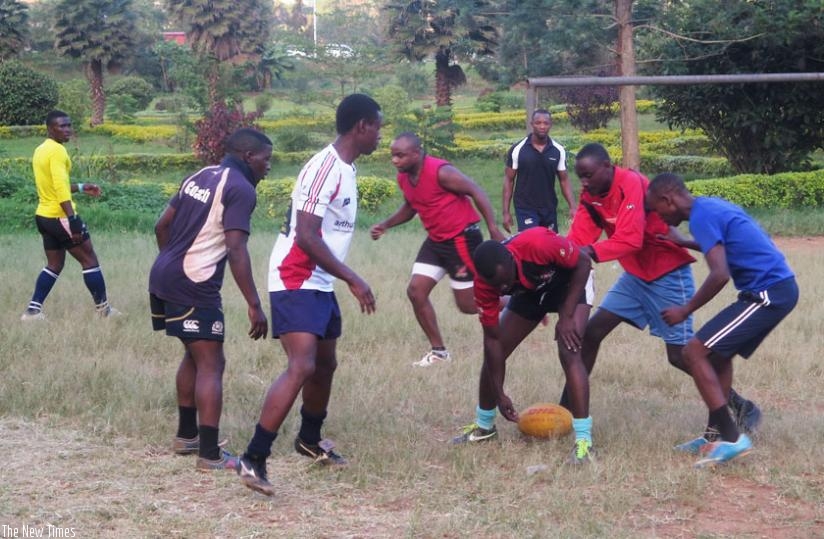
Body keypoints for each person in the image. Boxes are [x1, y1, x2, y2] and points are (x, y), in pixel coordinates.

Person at [237, 94, 382, 496]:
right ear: (361, 127)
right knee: (301, 365)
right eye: (378, 127)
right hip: (295, 276)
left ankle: (309, 440)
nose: (380, 136)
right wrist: (353, 278)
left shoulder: (347, 169)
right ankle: (254, 456)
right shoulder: (324, 167)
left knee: (325, 363)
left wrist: (340, 278)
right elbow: (305, 234)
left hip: (320, 280)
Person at [560, 143, 762, 433]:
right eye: (581, 176)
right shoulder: (591, 195)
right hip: (634, 276)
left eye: (589, 175)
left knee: (681, 355)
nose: (585, 182)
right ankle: (567, 409)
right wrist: (564, 256)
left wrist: (588, 253)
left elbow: (630, 239)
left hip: (668, 273)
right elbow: (579, 236)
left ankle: (741, 407)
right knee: (592, 332)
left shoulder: (631, 183)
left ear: (608, 166)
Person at [646, 173, 798, 467]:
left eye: (656, 209)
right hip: (773, 289)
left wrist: (685, 309)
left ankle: (732, 439)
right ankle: (714, 435)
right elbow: (723, 247)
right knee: (717, 357)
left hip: (769, 293)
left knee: (693, 351)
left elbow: (720, 273)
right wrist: (685, 243)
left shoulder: (701, 215)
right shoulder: (707, 208)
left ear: (668, 199)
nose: (659, 217)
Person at [149, 128, 272, 471]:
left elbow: (161, 226)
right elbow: (236, 248)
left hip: (163, 273)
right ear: (249, 156)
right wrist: (254, 303)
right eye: (266, 158)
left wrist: (173, 264)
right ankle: (209, 454)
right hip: (193, 282)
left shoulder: (201, 174)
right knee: (212, 364)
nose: (269, 166)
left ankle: (186, 436)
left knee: (194, 352)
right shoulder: (241, 189)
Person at [451, 227, 596, 464]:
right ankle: (485, 427)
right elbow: (492, 341)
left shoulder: (537, 244)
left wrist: (567, 315)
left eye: (504, 282)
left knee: (569, 350)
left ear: (511, 259)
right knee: (496, 351)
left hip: (571, 283)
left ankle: (584, 443)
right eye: (497, 288)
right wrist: (500, 394)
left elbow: (583, 262)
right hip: (529, 292)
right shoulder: (487, 285)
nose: (503, 290)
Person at [370, 132, 505, 367]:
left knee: (468, 305)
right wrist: (385, 224)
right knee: (416, 291)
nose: (394, 160)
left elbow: (476, 190)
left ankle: (518, 302)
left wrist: (493, 227)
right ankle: (439, 353)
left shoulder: (441, 171)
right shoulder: (404, 177)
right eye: (392, 155)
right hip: (436, 240)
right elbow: (411, 206)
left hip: (461, 238)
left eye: (400, 155)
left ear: (416, 153)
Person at [21, 110, 119, 321]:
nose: (67, 130)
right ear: (50, 129)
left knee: (55, 264)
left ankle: (32, 311)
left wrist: (83, 186)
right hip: (60, 216)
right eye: (61, 126)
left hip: (44, 217)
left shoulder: (40, 149)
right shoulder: (57, 151)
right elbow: (60, 188)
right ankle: (104, 311)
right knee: (90, 260)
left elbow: (56, 184)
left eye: (69, 125)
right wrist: (72, 219)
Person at [502, 109, 576, 234]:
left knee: (550, 247)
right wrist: (506, 212)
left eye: (546, 123)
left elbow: (564, 180)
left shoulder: (558, 150)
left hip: (549, 207)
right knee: (532, 243)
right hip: (525, 207)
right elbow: (509, 180)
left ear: (550, 125)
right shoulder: (518, 149)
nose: (542, 126)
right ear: (532, 124)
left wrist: (573, 207)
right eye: (538, 123)